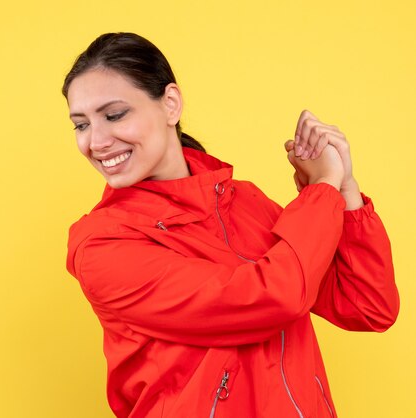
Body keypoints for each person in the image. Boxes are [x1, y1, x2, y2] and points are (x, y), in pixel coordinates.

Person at [62, 32, 399, 418]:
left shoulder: (242, 201)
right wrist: (322, 188)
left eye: (114, 115)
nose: (96, 141)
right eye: (81, 124)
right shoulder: (103, 246)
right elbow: (275, 296)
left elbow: (368, 306)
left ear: (170, 104)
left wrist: (346, 189)